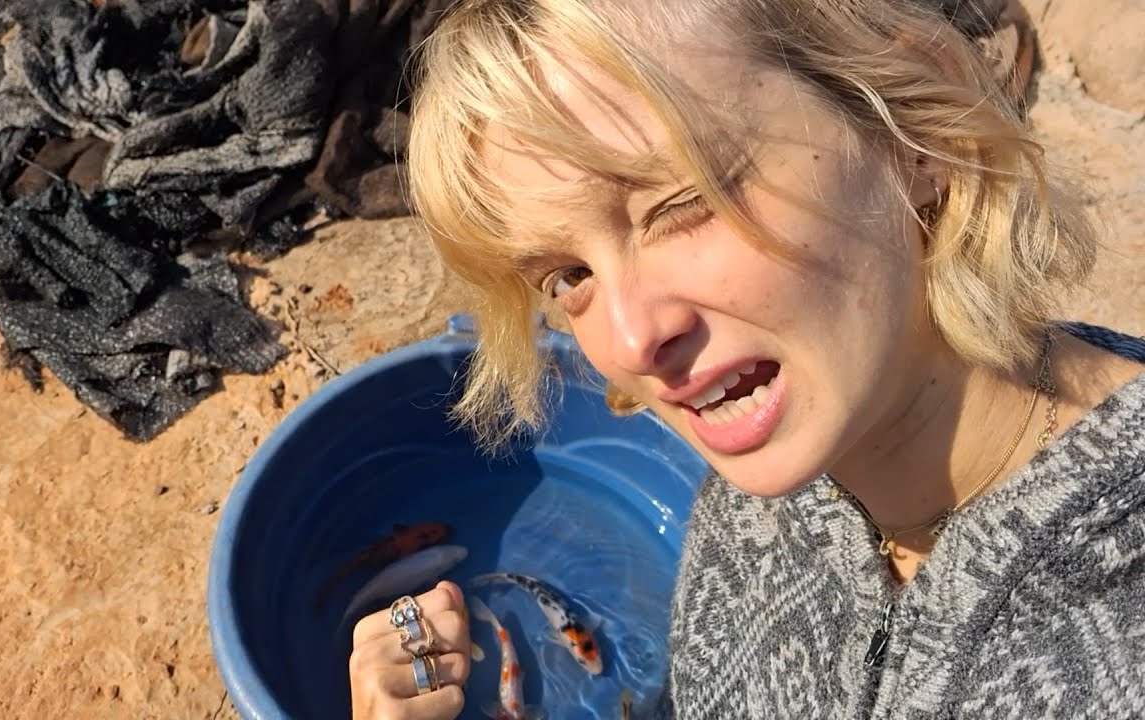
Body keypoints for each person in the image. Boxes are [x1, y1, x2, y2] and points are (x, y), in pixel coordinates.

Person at [347, 0, 1145, 717]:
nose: (629, 342)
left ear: (915, 132)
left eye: (683, 201)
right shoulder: (770, 467)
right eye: (568, 275)